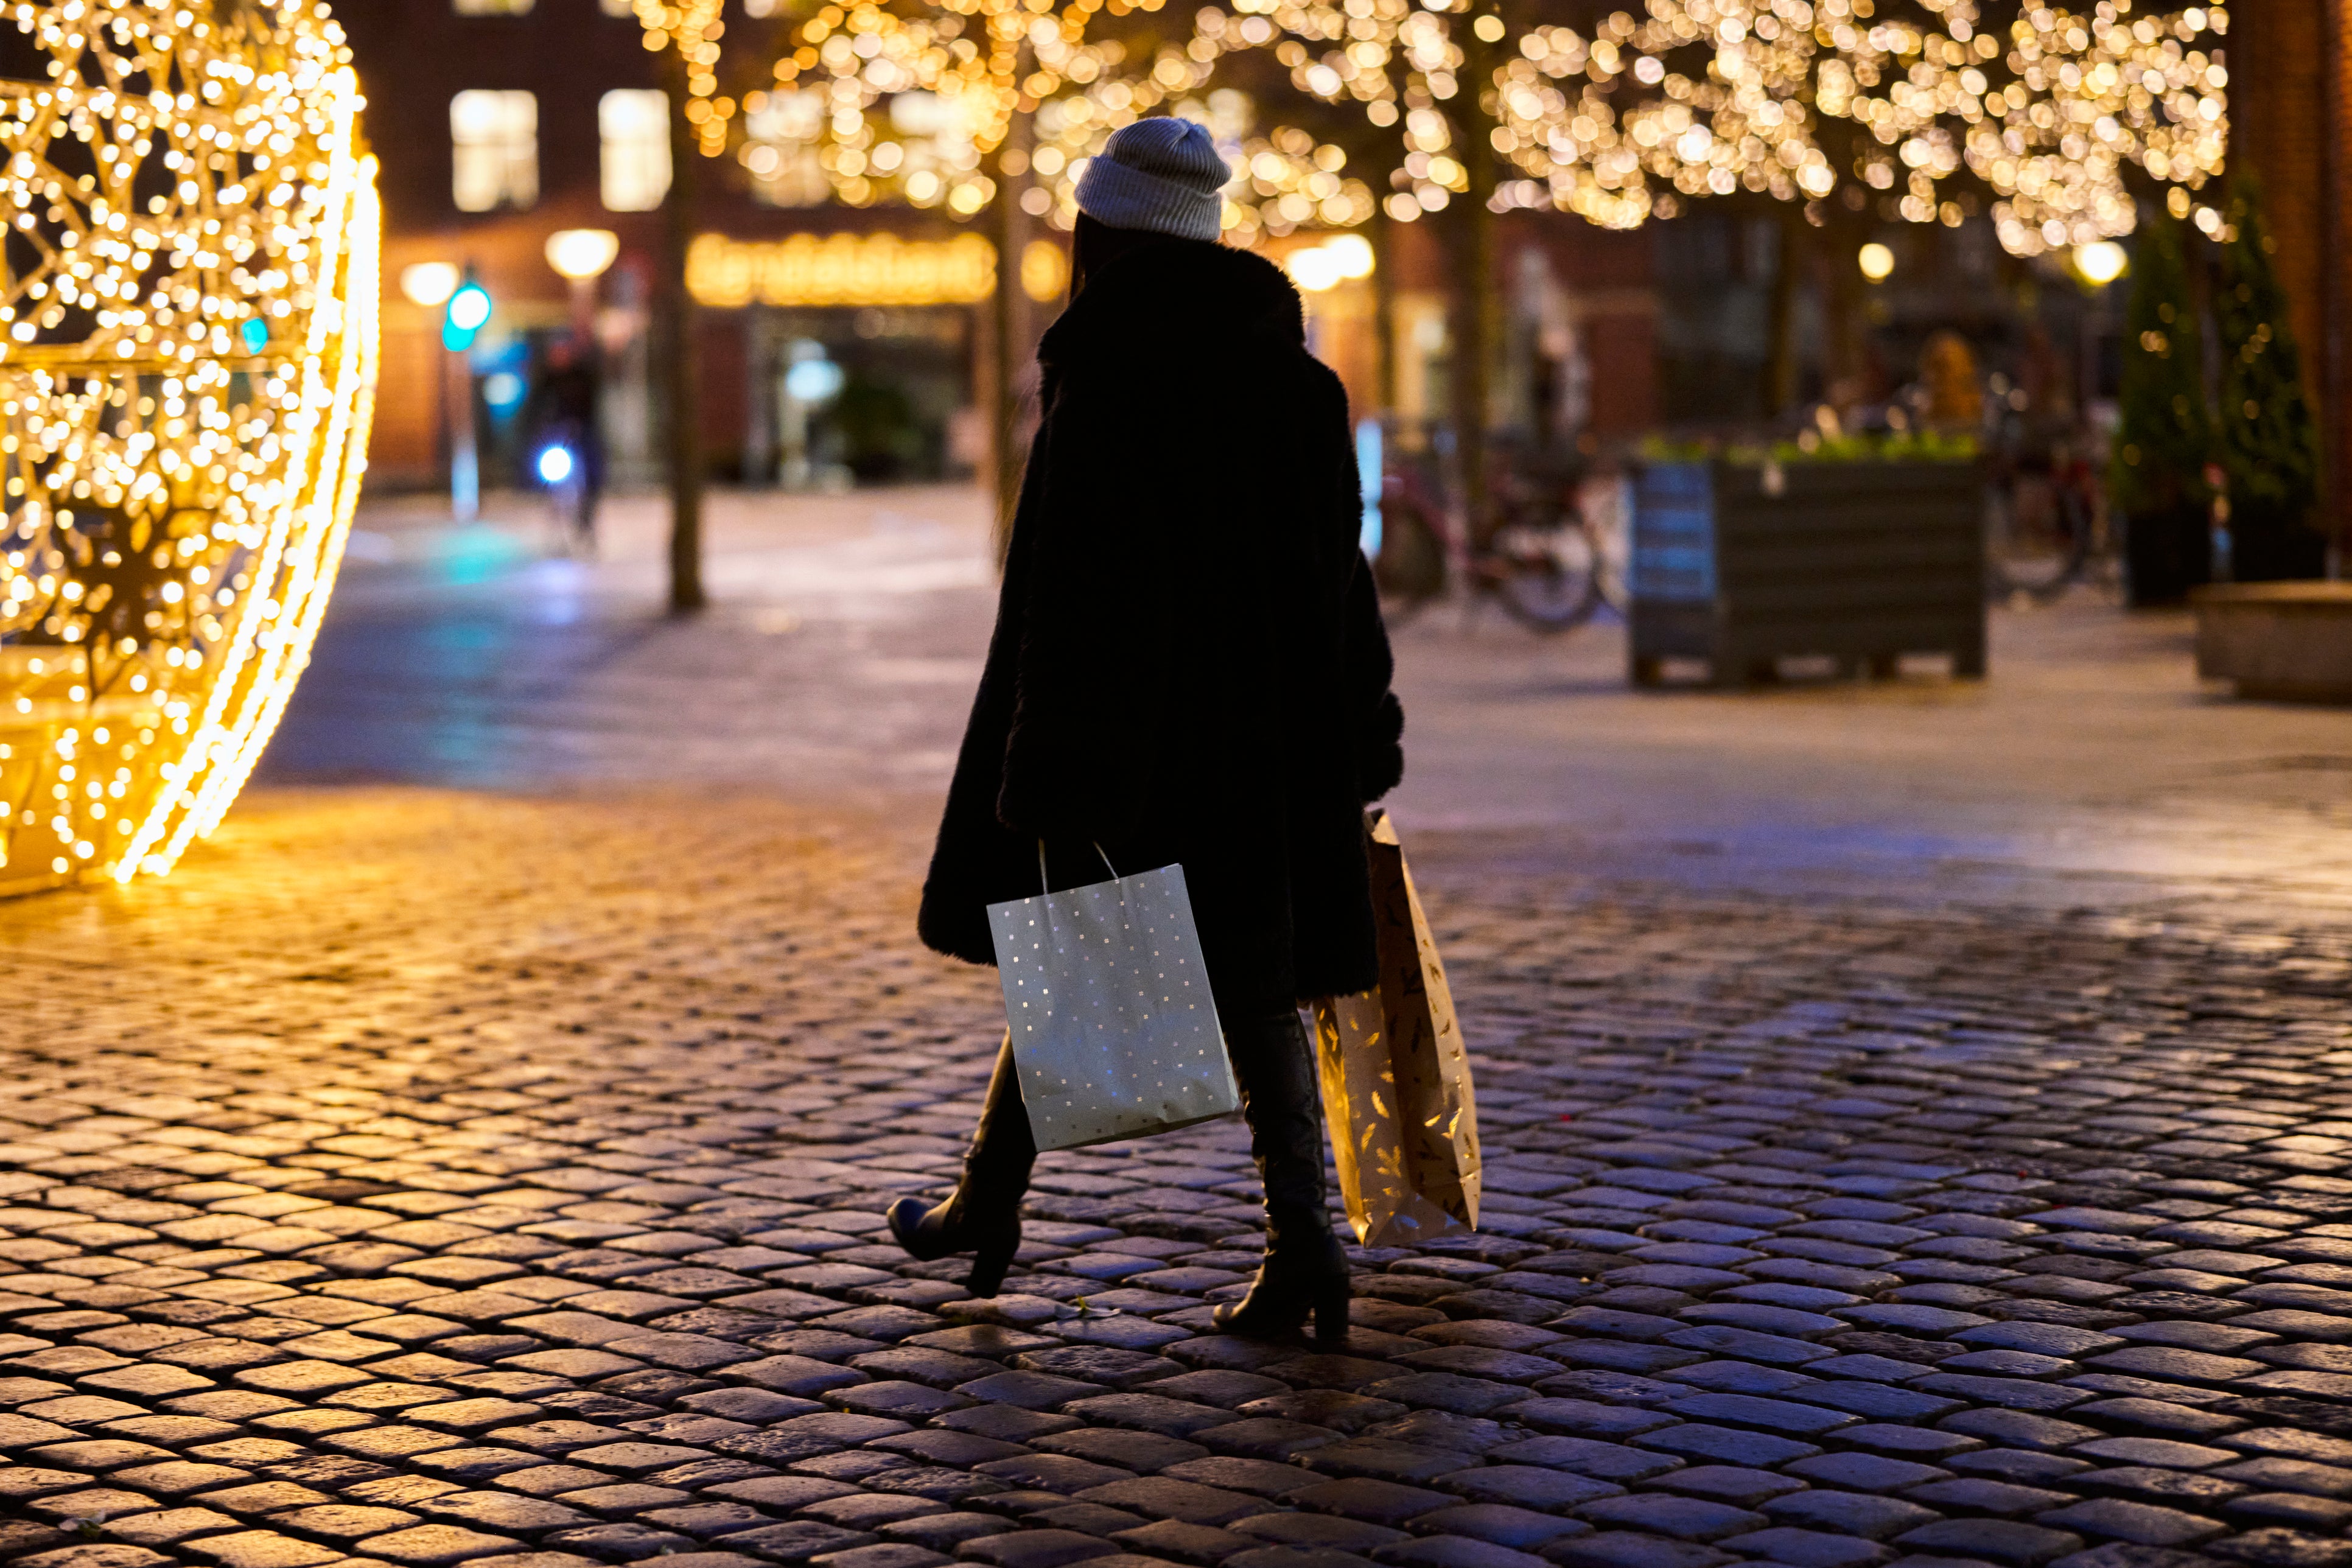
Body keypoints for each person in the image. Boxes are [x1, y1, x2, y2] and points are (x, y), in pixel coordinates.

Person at [887, 117, 1405, 1344]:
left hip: (1135, 744)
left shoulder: (1106, 381)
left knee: (1093, 940)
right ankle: (1268, 1242)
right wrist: (1359, 728)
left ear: (1097, 234)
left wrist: (1057, 770)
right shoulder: (1302, 384)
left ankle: (1277, 1242)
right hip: (1269, 744)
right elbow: (1345, 577)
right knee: (1243, 981)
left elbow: (1079, 599)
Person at [522, 334, 604, 550]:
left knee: (591, 469)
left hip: (580, 433)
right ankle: (556, 526)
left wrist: (577, 425)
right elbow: (535, 407)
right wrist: (538, 428)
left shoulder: (582, 376)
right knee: (544, 474)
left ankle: (587, 522)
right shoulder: (546, 378)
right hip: (556, 438)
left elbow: (590, 406)